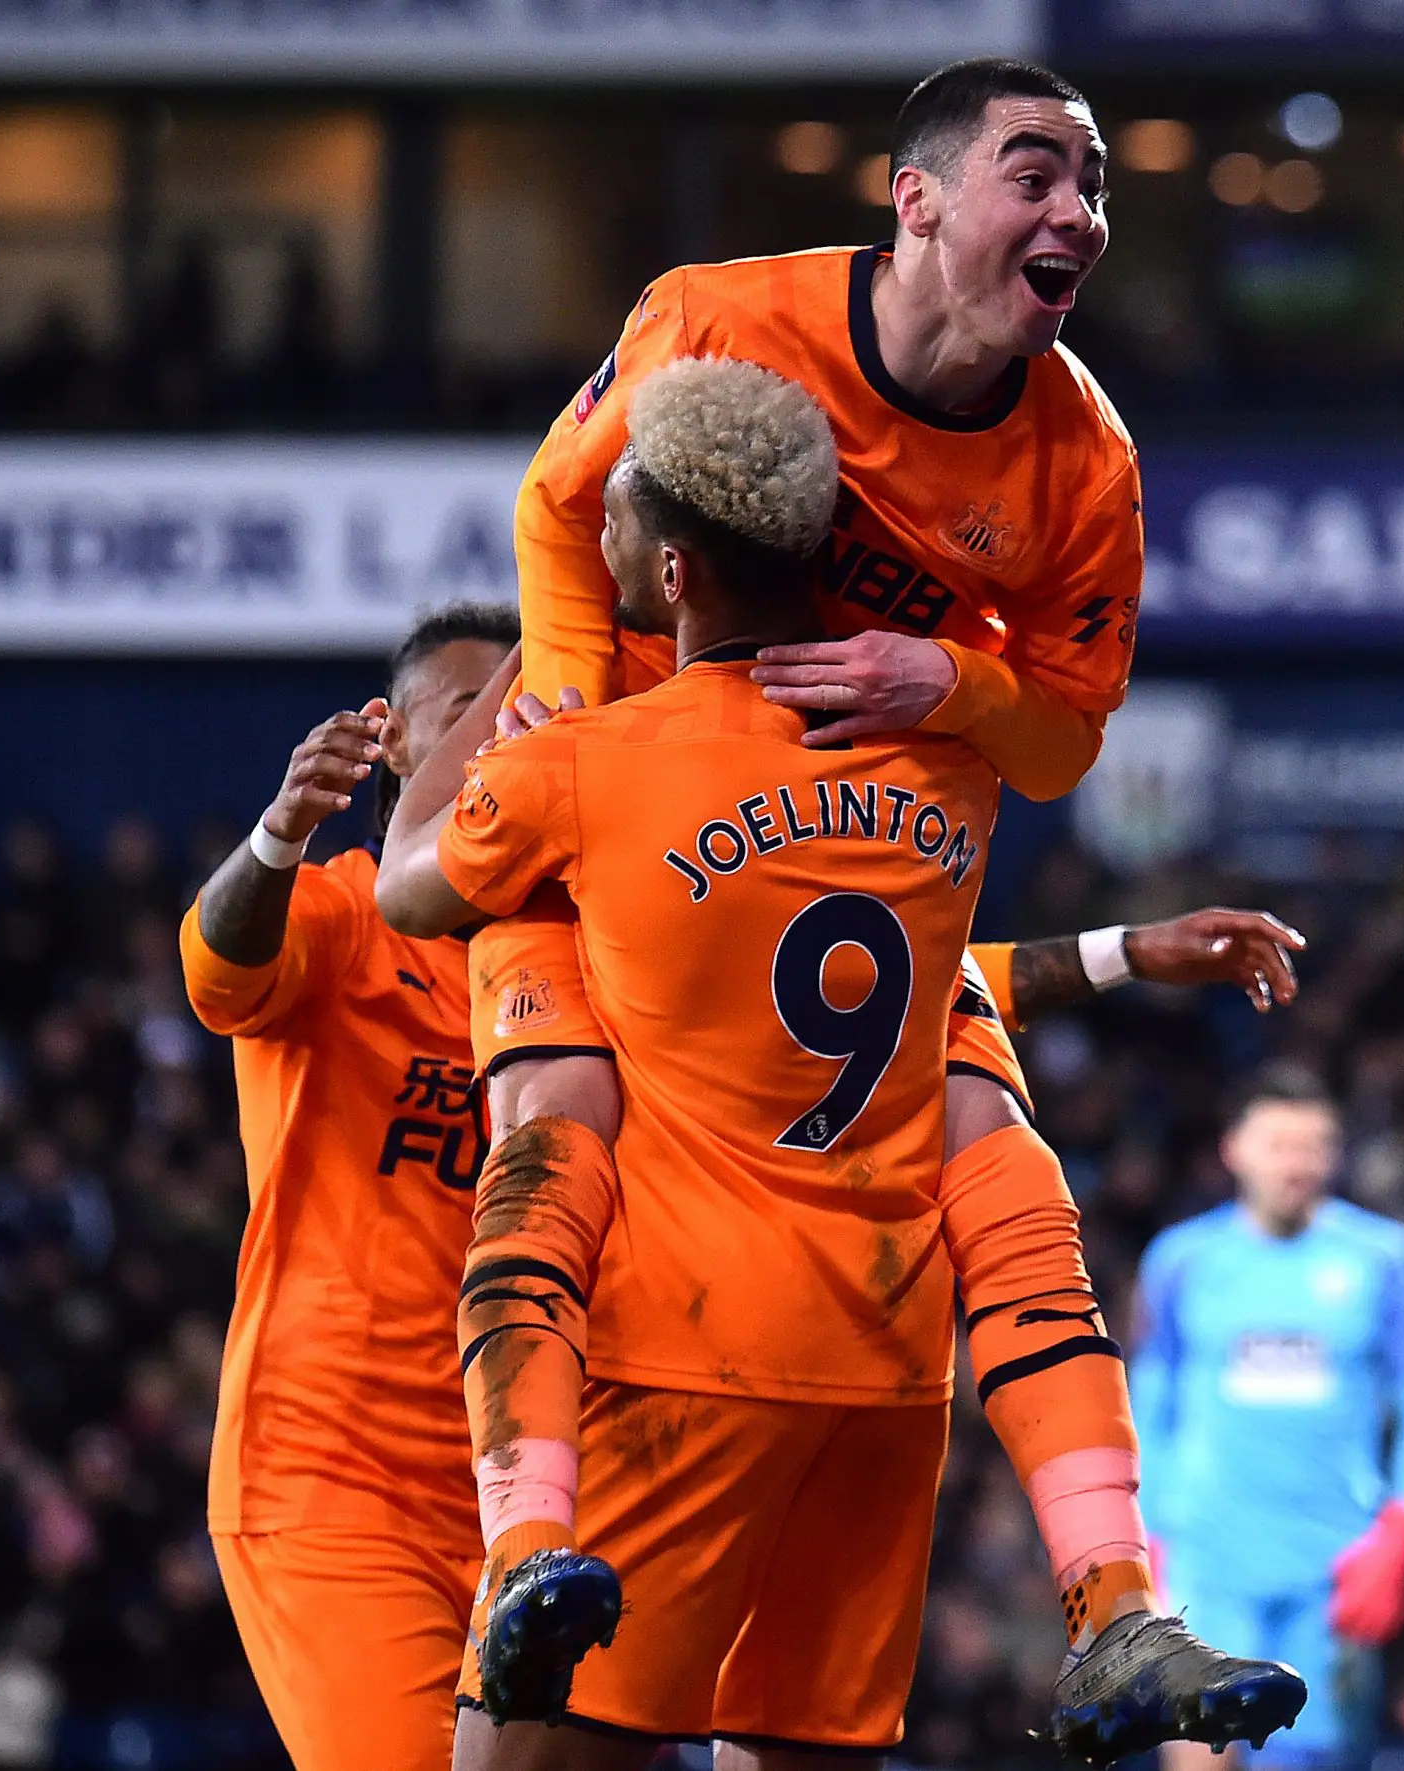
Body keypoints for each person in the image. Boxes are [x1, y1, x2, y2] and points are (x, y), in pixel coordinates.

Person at [389, 56, 1310, 1719]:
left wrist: (938, 683)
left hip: (861, 822)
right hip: (649, 783)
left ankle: (1117, 1609)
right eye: (1041, 173)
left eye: (1097, 188)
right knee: (566, 1119)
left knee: (996, 1153)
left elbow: (1065, 736)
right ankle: (528, 1529)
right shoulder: (715, 322)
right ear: (919, 198)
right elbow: (553, 499)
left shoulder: (1084, 463)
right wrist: (590, 721)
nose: (1080, 216)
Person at [177, 604, 517, 1771]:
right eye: (467, 708)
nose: (500, 726)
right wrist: (278, 835)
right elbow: (219, 971)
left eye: (519, 702)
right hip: (331, 1479)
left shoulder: (583, 956)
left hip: (525, 1496)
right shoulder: (344, 917)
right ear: (394, 747)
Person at [1132, 1064, 1404, 1771]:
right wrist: (1146, 1542)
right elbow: (1145, 1410)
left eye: (1315, 1144)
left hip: (1329, 1566)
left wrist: (1403, 1531)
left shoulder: (1384, 1257)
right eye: (1279, 1143)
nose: (1297, 1162)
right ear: (1234, 1148)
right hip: (1209, 1559)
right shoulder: (1183, 1261)